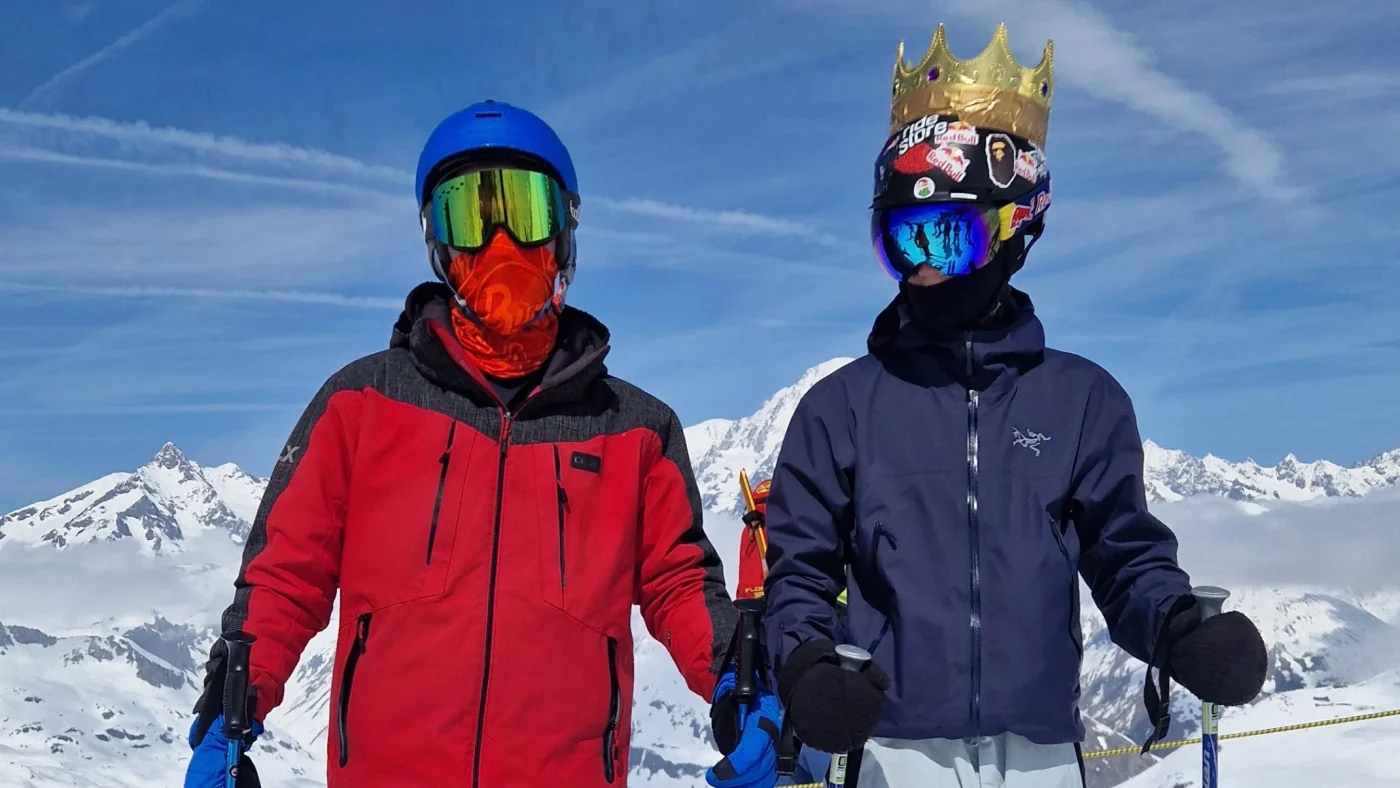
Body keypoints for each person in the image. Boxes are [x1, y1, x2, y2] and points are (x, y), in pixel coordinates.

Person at [182, 100, 779, 788]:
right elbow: (286, 576)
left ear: (565, 235)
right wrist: (232, 711)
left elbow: (679, 584)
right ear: (438, 244)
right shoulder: (362, 404)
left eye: (524, 212)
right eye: (470, 214)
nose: (501, 245)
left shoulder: (635, 430)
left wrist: (741, 685)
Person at [759, 23, 1269, 788]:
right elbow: (796, 575)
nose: (921, 272)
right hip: (890, 751)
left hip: (1041, 756)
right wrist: (805, 664)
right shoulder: (841, 409)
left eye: (945, 238)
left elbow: (1123, 558)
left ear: (1013, 230)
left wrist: (1177, 627)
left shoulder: (1082, 400)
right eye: (900, 242)